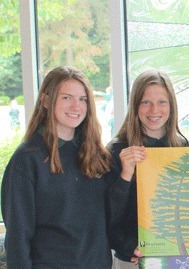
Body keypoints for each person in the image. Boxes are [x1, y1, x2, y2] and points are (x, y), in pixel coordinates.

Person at [1, 66, 116, 268]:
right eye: (66, 98)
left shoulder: (95, 154)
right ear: (46, 101)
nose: (76, 106)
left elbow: (112, 213)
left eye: (82, 99)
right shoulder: (27, 159)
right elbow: (18, 237)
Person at [108, 70, 188, 268]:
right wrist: (128, 247)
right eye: (146, 102)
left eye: (162, 102)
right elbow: (108, 214)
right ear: (135, 105)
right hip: (134, 259)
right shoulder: (118, 150)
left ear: (171, 106)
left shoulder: (184, 147)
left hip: (177, 258)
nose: (154, 110)